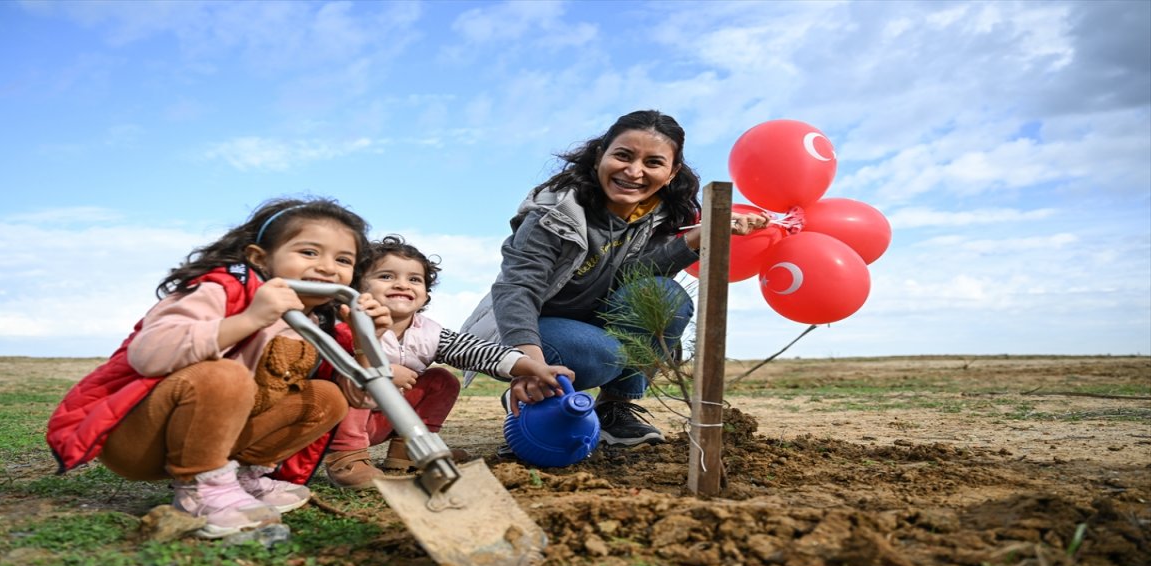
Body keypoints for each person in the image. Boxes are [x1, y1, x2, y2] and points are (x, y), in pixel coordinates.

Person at [46, 198, 390, 539]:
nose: (328, 268)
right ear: (260, 259)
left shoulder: (320, 321)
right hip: (141, 441)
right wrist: (250, 319)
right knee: (224, 374)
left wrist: (366, 338)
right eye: (309, 252)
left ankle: (239, 479)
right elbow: (146, 355)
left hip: (217, 439)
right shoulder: (223, 290)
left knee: (327, 398)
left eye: (343, 259)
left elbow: (361, 398)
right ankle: (201, 489)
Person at [460, 109, 769, 449]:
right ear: (599, 156)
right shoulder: (556, 212)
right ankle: (543, 394)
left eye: (653, 162)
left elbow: (631, 278)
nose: (634, 172)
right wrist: (528, 364)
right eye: (623, 155)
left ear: (671, 172)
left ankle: (614, 409)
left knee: (666, 296)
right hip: (531, 329)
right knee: (603, 353)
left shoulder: (659, 217)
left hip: (593, 322)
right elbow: (518, 288)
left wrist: (695, 237)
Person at [324, 235, 572, 488]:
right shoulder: (346, 325)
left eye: (414, 279)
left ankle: (413, 448)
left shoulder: (430, 332)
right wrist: (383, 372)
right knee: (349, 374)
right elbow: (329, 368)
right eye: (386, 276)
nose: (402, 284)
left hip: (386, 418)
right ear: (357, 287)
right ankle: (346, 457)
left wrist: (535, 367)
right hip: (339, 420)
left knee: (442, 380)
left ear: (425, 295)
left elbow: (479, 351)